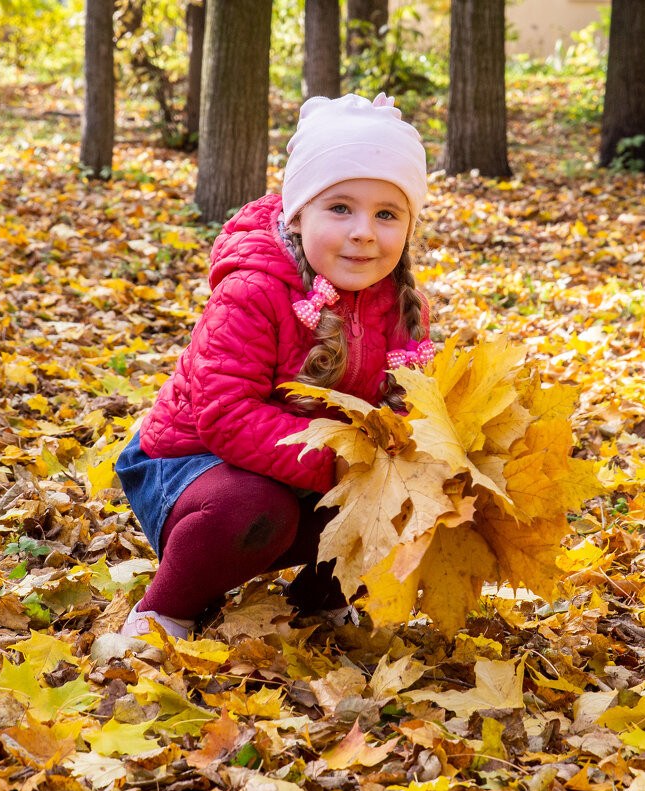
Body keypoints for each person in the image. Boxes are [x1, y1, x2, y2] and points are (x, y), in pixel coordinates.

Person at [115, 93, 433, 638]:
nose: (363, 230)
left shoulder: (403, 305)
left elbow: (410, 404)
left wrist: (408, 458)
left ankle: (320, 598)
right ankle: (165, 610)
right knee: (258, 508)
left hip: (311, 471)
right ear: (297, 212)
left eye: (386, 214)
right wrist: (343, 461)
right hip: (194, 471)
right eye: (340, 208)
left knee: (407, 491)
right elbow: (226, 415)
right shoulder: (254, 290)